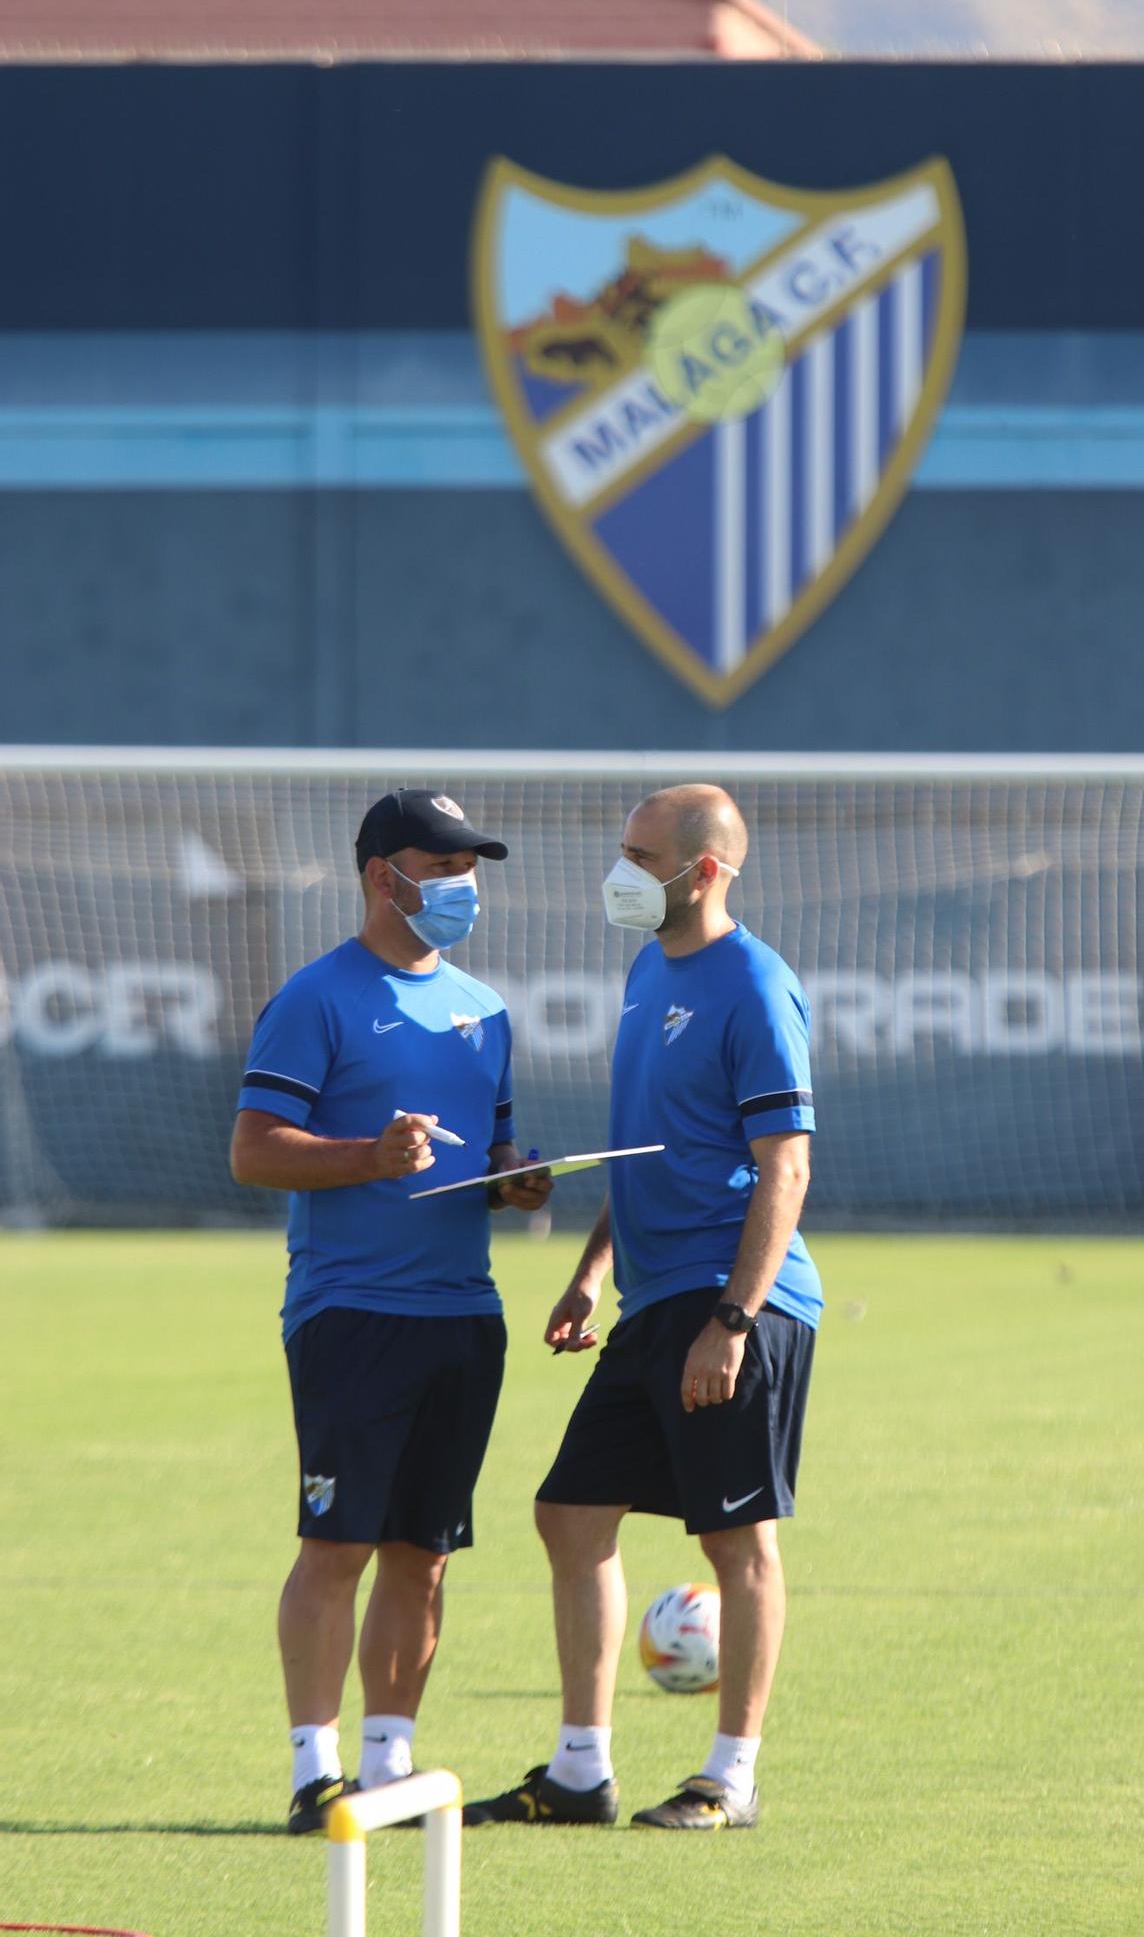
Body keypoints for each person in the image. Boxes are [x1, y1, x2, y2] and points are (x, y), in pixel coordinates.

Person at [464, 783, 819, 1833]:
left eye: (640, 852)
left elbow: (784, 1166)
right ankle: (580, 1771)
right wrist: (587, 1270)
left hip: (729, 1302)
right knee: (568, 1512)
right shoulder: (644, 970)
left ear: (705, 869)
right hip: (650, 1299)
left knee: (735, 1539)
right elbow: (644, 1152)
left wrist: (735, 1318)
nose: (620, 870)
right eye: (621, 848)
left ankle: (732, 1775)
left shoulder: (755, 985)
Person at [230, 787, 552, 1836]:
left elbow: (490, 1148)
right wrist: (368, 1154)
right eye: (443, 865)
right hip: (352, 1311)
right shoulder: (318, 997)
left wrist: (518, 1176)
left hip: (463, 1313)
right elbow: (253, 1149)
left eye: (472, 868)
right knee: (339, 1543)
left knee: (426, 1547)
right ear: (383, 875)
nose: (463, 886)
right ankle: (311, 1768)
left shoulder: (485, 1009)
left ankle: (388, 1763)